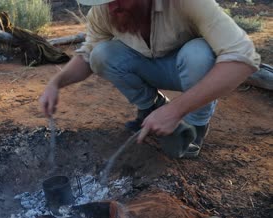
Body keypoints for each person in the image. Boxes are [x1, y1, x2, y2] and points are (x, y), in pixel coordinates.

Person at [39, 0, 260, 158]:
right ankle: (152, 107)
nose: (112, 7)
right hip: (149, 65)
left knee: (198, 54)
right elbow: (88, 54)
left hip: (190, 71)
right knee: (102, 53)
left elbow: (243, 59)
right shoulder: (105, 10)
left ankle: (195, 127)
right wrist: (56, 83)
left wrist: (176, 111)